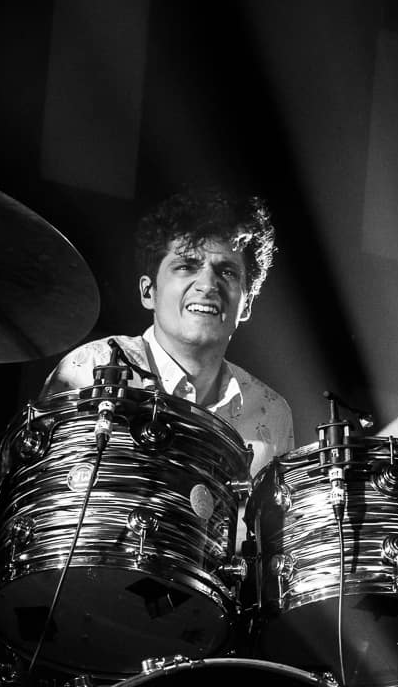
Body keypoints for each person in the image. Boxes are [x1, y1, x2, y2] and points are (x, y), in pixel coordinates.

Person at [41, 188, 294, 478]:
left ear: (247, 304)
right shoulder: (88, 368)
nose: (207, 285)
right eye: (186, 266)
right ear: (149, 292)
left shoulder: (272, 412)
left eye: (227, 272)